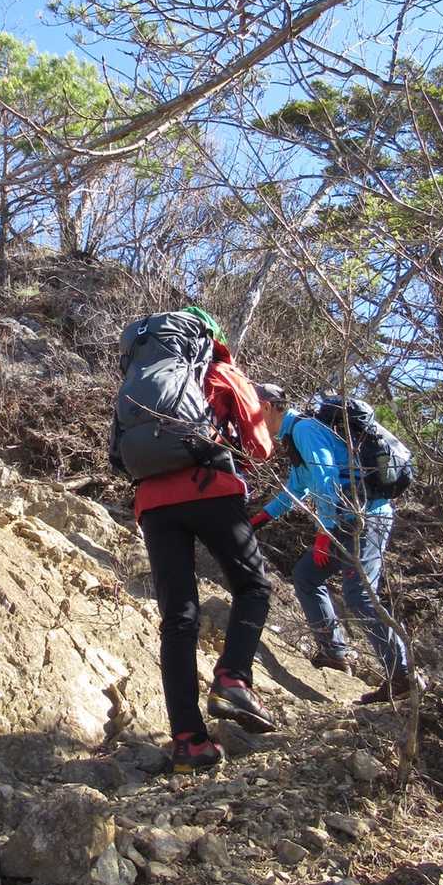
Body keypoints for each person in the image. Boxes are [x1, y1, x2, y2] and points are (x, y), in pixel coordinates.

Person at [132, 307, 279, 774]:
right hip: (210, 489)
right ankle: (233, 679)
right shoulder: (220, 372)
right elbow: (260, 446)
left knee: (178, 620)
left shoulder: (139, 380)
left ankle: (188, 743)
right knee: (254, 587)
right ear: (211, 338)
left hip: (151, 502)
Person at [251, 383, 413, 704]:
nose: (249, 418)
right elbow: (296, 489)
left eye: (251, 410)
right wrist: (258, 519)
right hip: (345, 520)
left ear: (267, 407)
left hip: (366, 518)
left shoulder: (305, 430)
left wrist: (324, 533)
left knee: (359, 595)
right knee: (306, 576)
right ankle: (334, 653)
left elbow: (327, 480)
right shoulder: (294, 436)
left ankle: (403, 675)